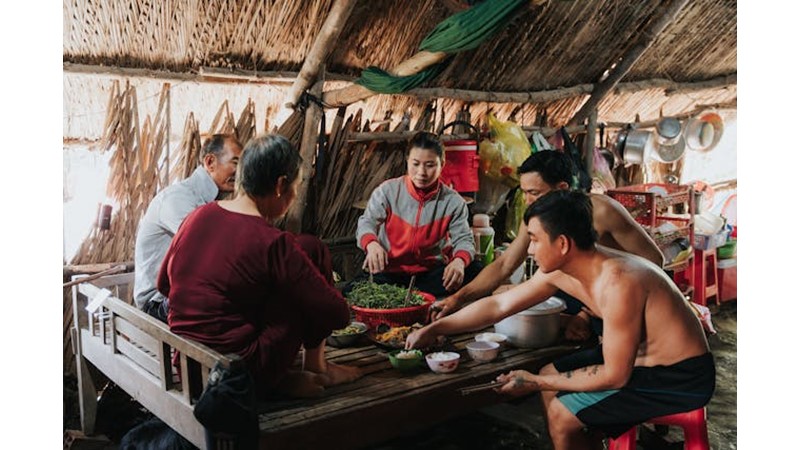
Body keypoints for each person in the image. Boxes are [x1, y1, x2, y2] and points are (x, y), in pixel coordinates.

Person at [406, 191, 715, 449]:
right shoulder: (564, 270)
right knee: (552, 374)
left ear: (563, 243)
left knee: (561, 412)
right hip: (641, 362)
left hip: (679, 377)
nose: (529, 249)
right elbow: (500, 304)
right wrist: (437, 327)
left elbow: (615, 375)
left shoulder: (620, 282)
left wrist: (534, 382)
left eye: (535, 239)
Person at [158, 134, 361, 399]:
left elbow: (163, 284)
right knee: (303, 282)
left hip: (189, 368)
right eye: (296, 187)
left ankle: (309, 368)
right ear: (280, 185)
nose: (295, 195)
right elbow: (338, 316)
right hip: (237, 375)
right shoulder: (272, 243)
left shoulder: (198, 216)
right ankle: (298, 374)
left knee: (309, 246)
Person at [431, 150, 663, 340]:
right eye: (524, 193)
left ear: (562, 188)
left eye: (534, 193)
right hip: (569, 295)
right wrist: (457, 299)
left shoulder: (602, 211)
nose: (528, 201)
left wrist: (586, 312)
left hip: (616, 300)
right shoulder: (537, 216)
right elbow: (504, 265)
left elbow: (654, 262)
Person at [353, 131, 481, 298]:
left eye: (430, 165)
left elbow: (464, 240)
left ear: (442, 164)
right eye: (415, 164)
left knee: (475, 271)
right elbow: (366, 223)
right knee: (353, 289)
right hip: (389, 274)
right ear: (407, 162)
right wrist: (372, 244)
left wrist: (459, 261)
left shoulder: (453, 202)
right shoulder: (387, 191)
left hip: (430, 275)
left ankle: (410, 295)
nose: (421, 172)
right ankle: (415, 296)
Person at [134, 134, 243, 322]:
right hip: (157, 302)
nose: (240, 172)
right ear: (210, 162)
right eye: (235, 163)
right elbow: (209, 251)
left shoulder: (208, 202)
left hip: (178, 294)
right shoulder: (178, 199)